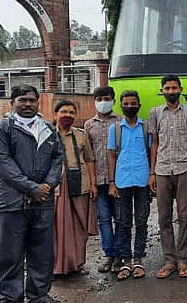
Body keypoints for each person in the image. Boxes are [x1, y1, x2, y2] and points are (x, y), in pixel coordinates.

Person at [0, 85, 64, 303]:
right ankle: (10, 297)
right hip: (11, 201)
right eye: (22, 100)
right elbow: (2, 163)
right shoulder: (2, 128)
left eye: (32, 100)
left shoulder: (48, 128)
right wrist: (32, 188)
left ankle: (39, 295)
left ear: (38, 102)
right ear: (12, 103)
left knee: (41, 252)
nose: (28, 104)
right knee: (9, 253)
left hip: (42, 202)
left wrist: (47, 186)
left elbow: (57, 160)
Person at [148, 75, 187, 279]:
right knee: (163, 217)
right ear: (162, 90)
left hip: (185, 169)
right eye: (167, 88)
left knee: (185, 216)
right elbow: (154, 143)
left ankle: (182, 259)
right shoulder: (155, 113)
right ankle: (169, 259)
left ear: (181, 89)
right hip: (162, 170)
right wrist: (152, 172)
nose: (171, 91)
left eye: (174, 87)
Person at [107, 90, 152, 281]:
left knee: (141, 221)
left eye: (133, 103)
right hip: (122, 180)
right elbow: (111, 155)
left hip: (142, 180)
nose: (130, 106)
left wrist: (152, 176)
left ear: (139, 106)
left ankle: (138, 260)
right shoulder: (115, 129)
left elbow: (152, 151)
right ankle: (125, 261)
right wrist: (111, 182)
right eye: (126, 103)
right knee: (124, 222)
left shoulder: (146, 127)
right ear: (121, 105)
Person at [53, 101, 98, 275]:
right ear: (55, 114)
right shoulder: (47, 135)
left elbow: (89, 159)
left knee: (80, 225)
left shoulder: (81, 135)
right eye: (63, 112)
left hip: (80, 183)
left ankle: (78, 263)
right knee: (58, 227)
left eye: (71, 113)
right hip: (56, 187)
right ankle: (57, 266)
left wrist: (93, 183)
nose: (67, 115)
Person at [84, 86, 122, 274]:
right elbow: (88, 156)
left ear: (113, 101)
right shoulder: (89, 125)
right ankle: (110, 255)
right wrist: (91, 183)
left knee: (120, 218)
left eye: (106, 98)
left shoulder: (121, 122)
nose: (103, 102)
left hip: (119, 181)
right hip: (98, 180)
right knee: (104, 220)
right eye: (99, 99)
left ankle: (120, 257)